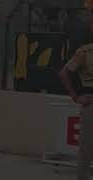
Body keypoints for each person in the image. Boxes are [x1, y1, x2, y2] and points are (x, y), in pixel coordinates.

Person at [59, 2, 93, 177]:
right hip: (90, 104)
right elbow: (64, 74)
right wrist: (76, 97)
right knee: (85, 153)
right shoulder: (85, 52)